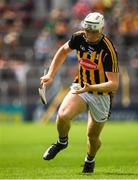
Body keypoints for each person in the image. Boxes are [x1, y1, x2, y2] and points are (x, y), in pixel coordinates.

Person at [40, 12, 119, 173]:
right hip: (81, 85)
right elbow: (63, 51)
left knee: (92, 136)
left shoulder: (108, 49)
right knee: (62, 115)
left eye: (93, 31)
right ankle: (62, 142)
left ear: (101, 30)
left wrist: (91, 88)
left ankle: (90, 160)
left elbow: (113, 84)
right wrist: (50, 74)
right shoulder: (79, 37)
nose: (88, 35)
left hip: (101, 94)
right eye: (86, 30)